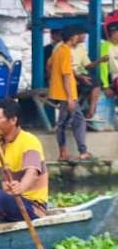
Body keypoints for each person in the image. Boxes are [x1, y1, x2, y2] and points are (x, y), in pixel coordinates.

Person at [47, 25, 91, 161]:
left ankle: (63, 153)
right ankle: (82, 152)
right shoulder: (66, 51)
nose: (79, 37)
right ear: (72, 38)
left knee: (63, 123)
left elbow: (49, 65)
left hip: (60, 93)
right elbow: (66, 75)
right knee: (77, 121)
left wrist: (53, 81)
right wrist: (71, 98)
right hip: (67, 95)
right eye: (77, 35)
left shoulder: (58, 50)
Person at [71, 34, 102, 122]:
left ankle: (91, 111)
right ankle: (89, 112)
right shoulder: (64, 48)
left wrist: (100, 61)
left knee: (96, 83)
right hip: (70, 75)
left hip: (80, 74)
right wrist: (78, 76)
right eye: (83, 34)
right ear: (76, 35)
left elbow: (87, 66)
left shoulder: (81, 47)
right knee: (91, 84)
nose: (85, 36)